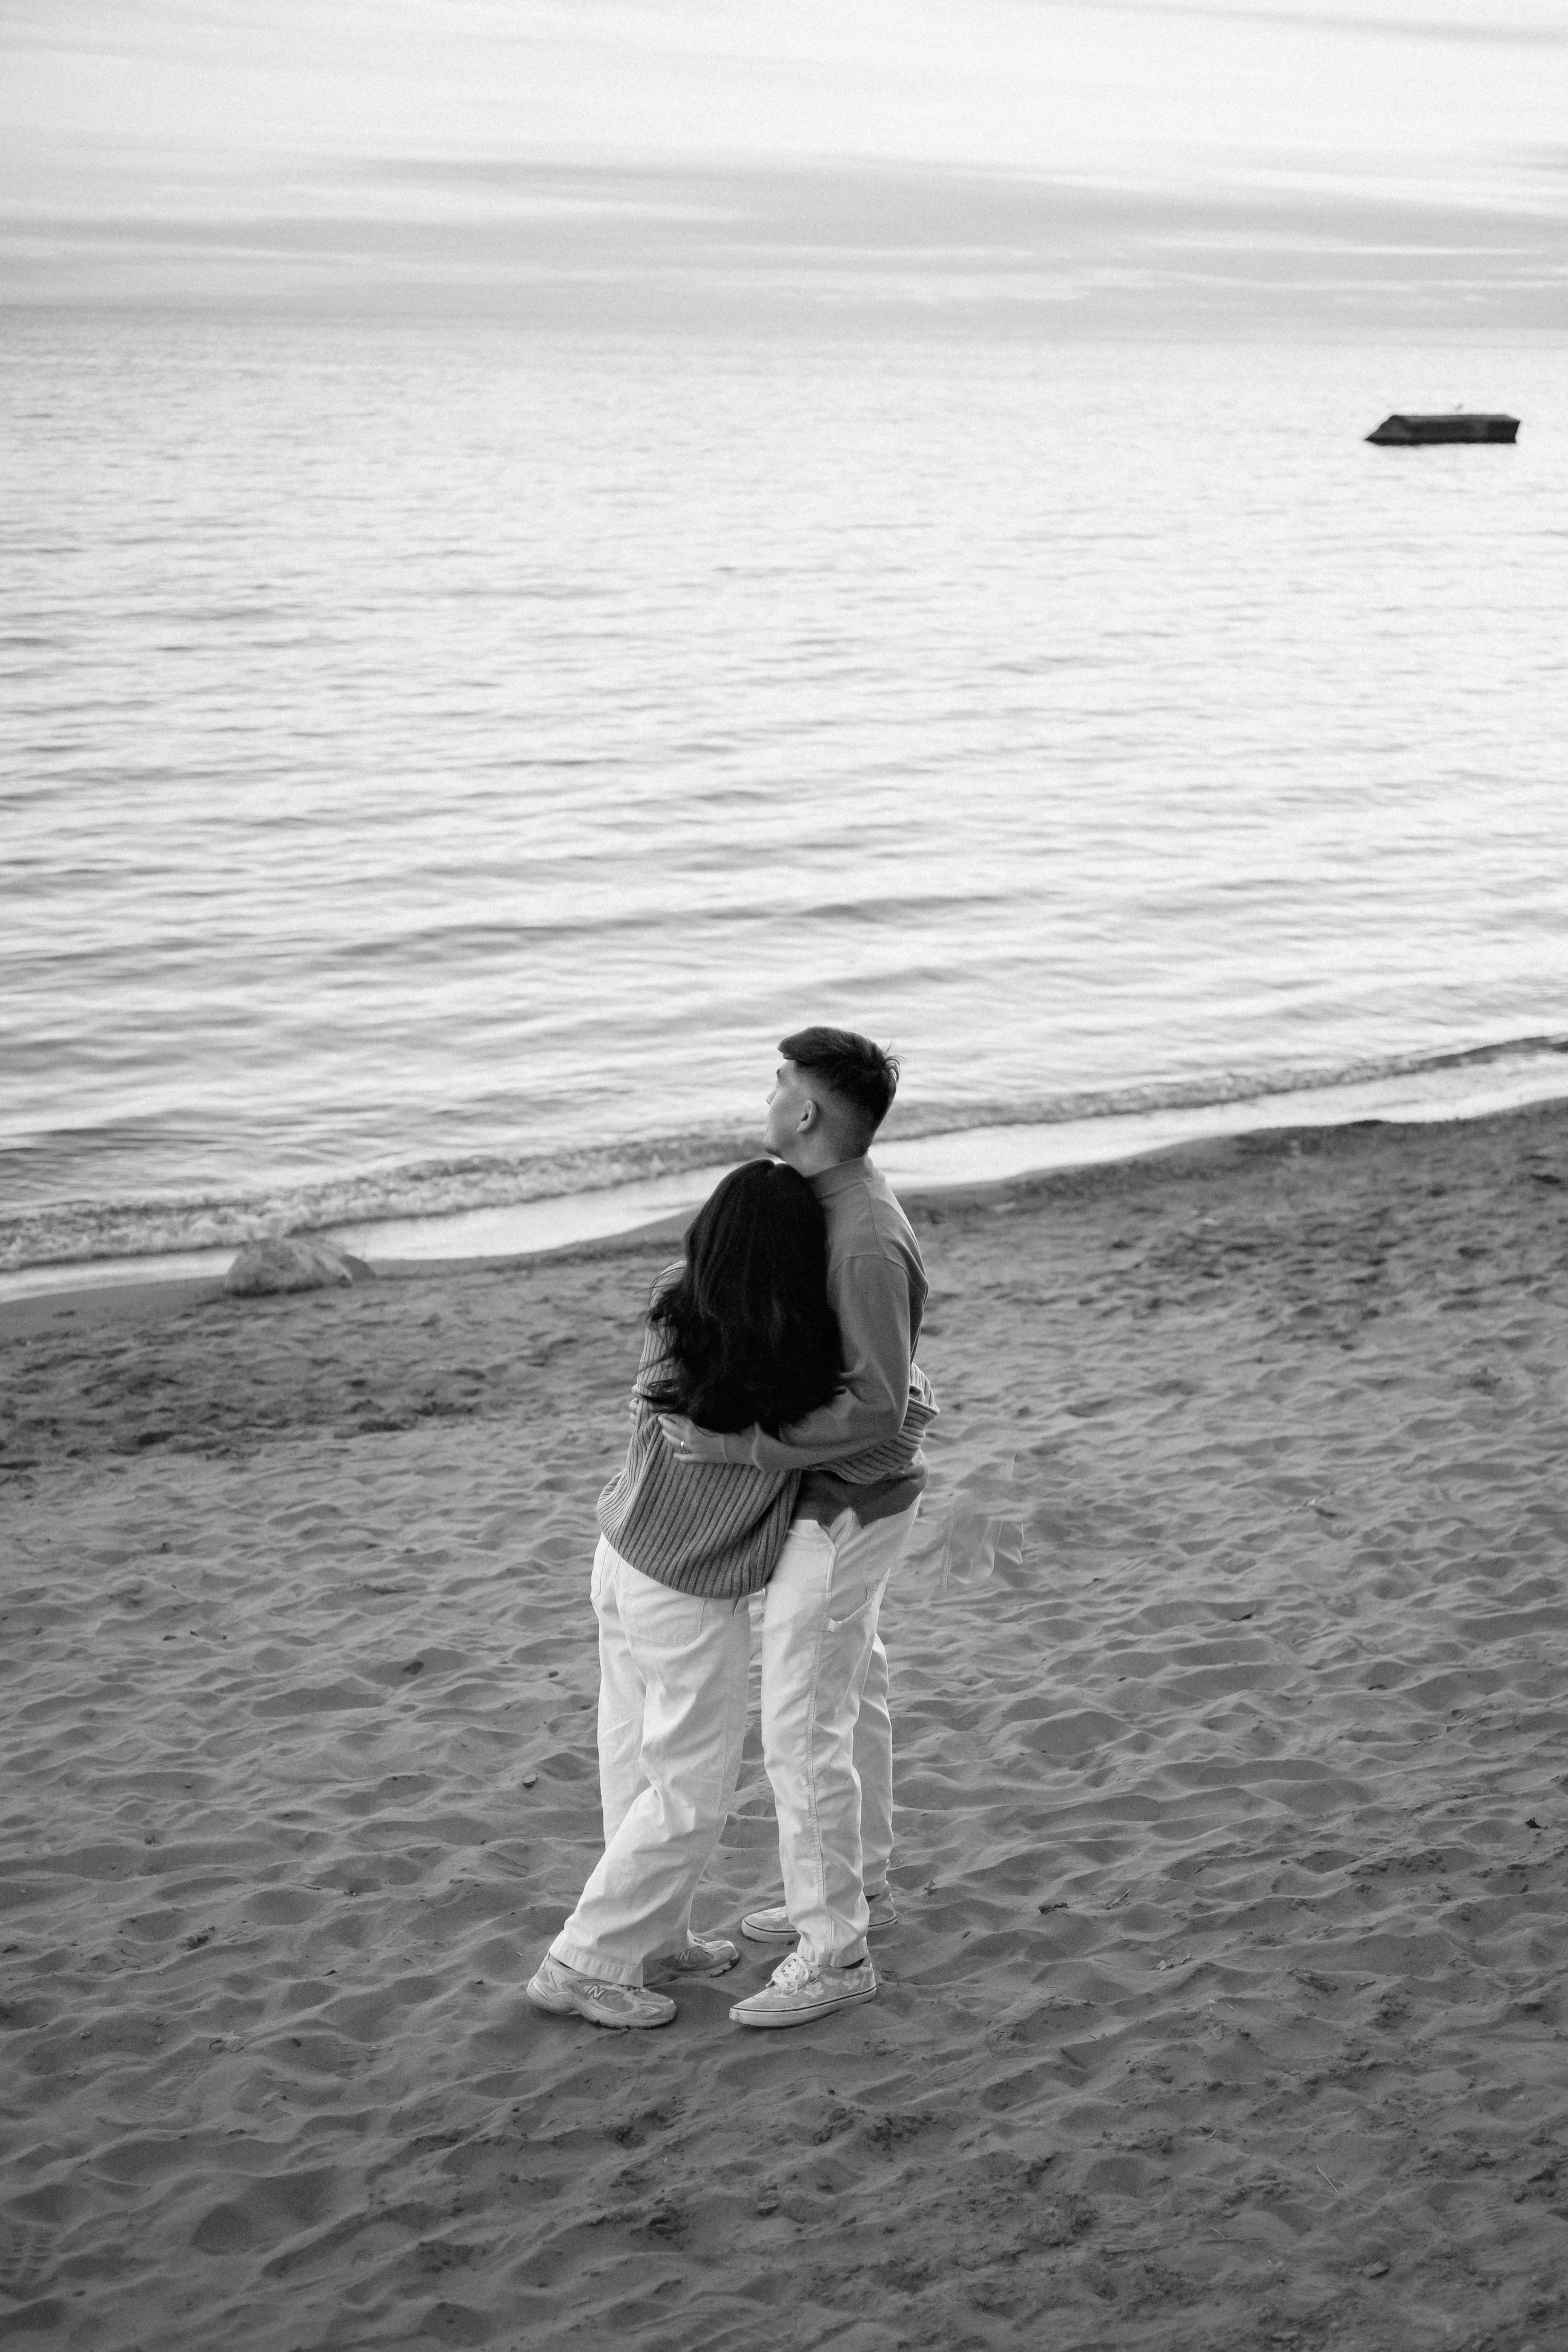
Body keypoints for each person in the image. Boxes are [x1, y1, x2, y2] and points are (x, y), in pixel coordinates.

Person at [660, 1028, 936, 2028]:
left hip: (848, 1501)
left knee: (801, 1727)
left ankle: (835, 1953)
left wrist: (740, 1450)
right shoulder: (836, 1204)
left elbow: (874, 1403)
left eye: (780, 1083)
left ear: (808, 1112)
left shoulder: (860, 1230)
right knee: (848, 1695)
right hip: (856, 1496)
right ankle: (860, 1885)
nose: (770, 1095)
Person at [527, 1157, 843, 2029]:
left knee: (633, 1755)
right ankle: (584, 1961)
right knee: (689, 1789)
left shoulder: (676, 1294)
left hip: (620, 1553)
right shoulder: (794, 1348)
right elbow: (854, 1426)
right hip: (686, 1582)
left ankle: (653, 1938)